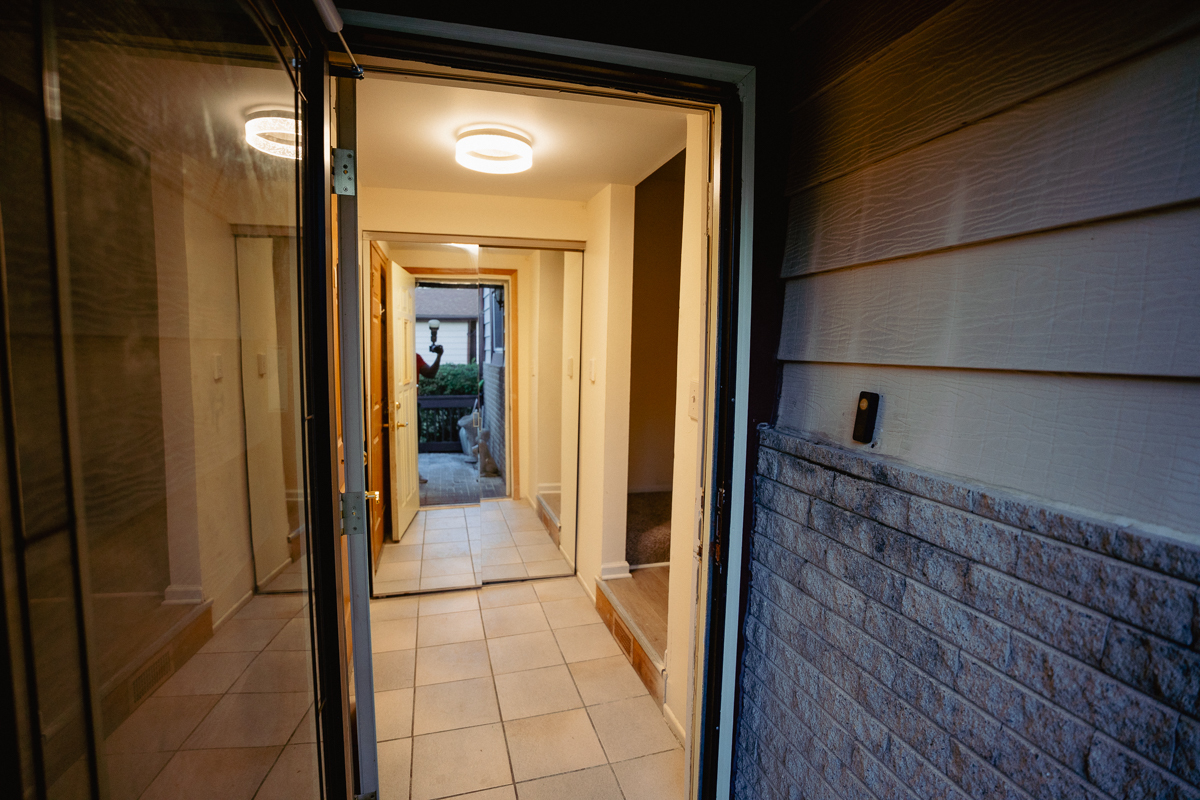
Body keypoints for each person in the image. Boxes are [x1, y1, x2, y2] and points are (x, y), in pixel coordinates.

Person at [416, 344, 442, 484]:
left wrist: (439, 356)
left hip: (412, 405)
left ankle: (413, 472)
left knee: (414, 440)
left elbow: (430, 373)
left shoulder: (415, 357)